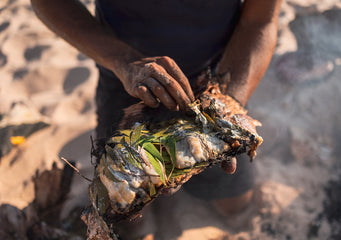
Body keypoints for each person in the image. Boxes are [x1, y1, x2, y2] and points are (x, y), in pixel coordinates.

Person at [31, 0, 282, 238]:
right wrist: (123, 60)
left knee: (235, 203)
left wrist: (225, 107)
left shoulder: (219, 102)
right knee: (125, 215)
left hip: (215, 82)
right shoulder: (124, 68)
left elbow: (259, 21)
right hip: (126, 78)